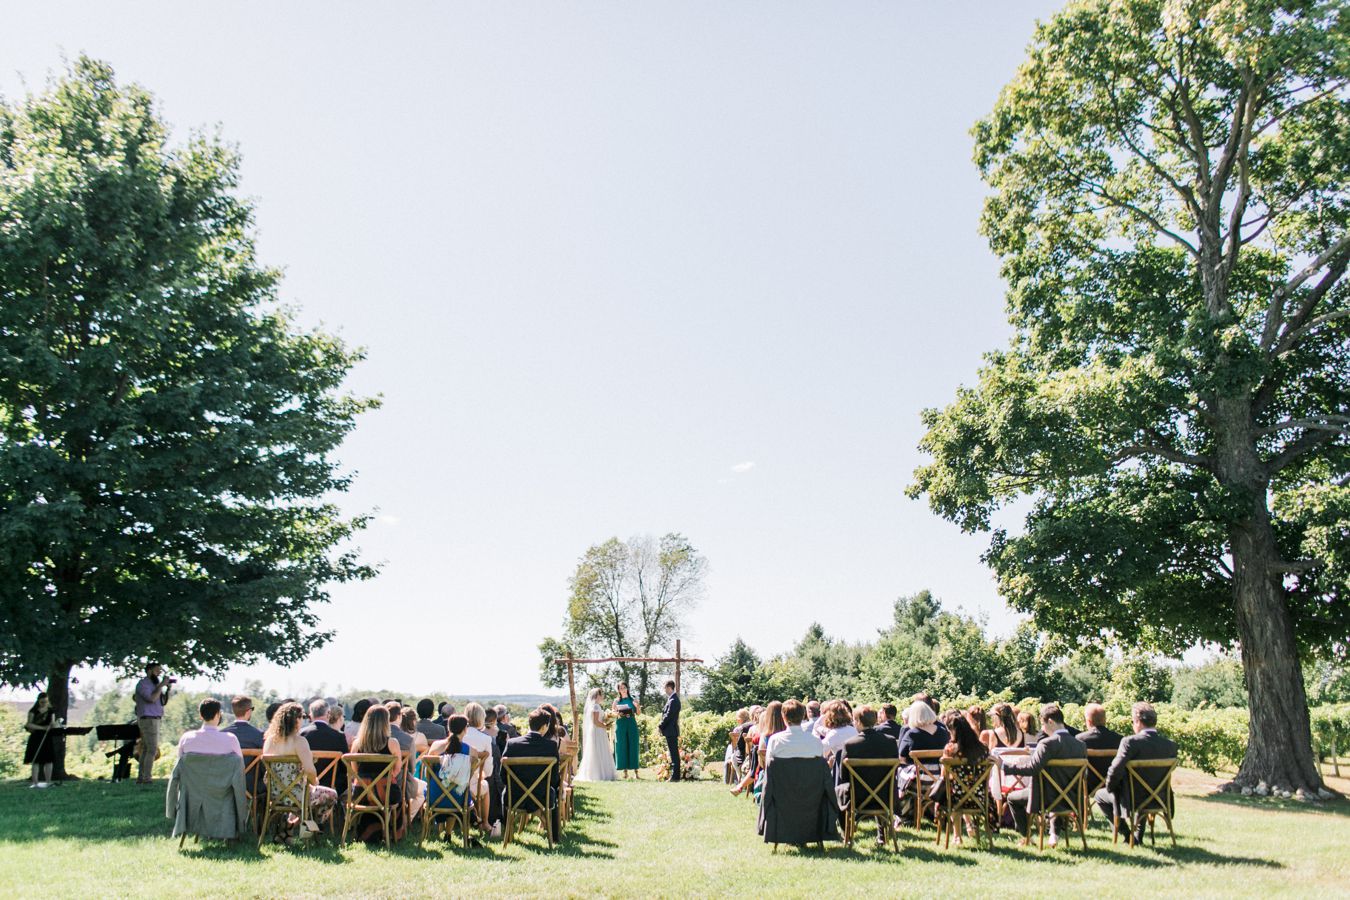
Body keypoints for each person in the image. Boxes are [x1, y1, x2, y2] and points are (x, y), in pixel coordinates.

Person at [1002, 704, 1086, 843]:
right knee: (1056, 792)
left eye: (1043, 724)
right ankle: (1054, 834)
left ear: (1051, 722)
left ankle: (1026, 837)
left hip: (1045, 798)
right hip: (1072, 796)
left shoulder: (1046, 744)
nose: (1042, 728)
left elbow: (1032, 768)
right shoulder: (1080, 745)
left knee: (1012, 798)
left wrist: (1006, 767)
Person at [1095, 702, 1178, 844]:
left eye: (1133, 721)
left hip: (1132, 799)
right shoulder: (1170, 745)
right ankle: (1137, 836)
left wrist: (1110, 787)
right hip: (1160, 797)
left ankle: (1128, 835)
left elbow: (1115, 769)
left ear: (1138, 722)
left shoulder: (1129, 742)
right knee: (1142, 787)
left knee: (1100, 795)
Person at [260, 701, 339, 837]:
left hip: (274, 794)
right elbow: (310, 770)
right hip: (298, 795)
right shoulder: (299, 742)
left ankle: (290, 827)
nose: (303, 720)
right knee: (330, 795)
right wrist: (314, 782)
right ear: (296, 719)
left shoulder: (269, 741)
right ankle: (308, 831)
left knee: (314, 794)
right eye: (302, 717)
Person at [837, 705, 900, 843]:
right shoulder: (890, 742)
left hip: (858, 797)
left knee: (839, 788)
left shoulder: (850, 744)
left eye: (854, 720)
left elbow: (843, 776)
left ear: (858, 721)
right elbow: (895, 770)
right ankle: (882, 835)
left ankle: (845, 834)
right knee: (878, 781)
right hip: (886, 796)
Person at [501, 707, 563, 841]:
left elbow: (503, 776)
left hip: (515, 796)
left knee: (505, 792)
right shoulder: (550, 746)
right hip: (542, 796)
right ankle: (554, 837)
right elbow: (554, 778)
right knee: (553, 791)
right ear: (545, 726)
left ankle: (507, 834)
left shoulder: (512, 744)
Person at [349, 704, 405, 842]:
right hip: (385, 794)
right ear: (386, 722)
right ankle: (392, 835)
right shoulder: (392, 743)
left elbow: (355, 771)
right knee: (395, 796)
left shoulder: (357, 744)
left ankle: (368, 834)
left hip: (361, 794)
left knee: (373, 794)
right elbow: (397, 770)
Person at [425, 715, 477, 842]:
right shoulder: (471, 751)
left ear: (448, 727)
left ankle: (434, 832)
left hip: (434, 796)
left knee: (445, 786)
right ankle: (448, 834)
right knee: (456, 787)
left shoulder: (436, 746)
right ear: (465, 729)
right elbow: (468, 777)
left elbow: (428, 771)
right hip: (458, 799)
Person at [133, 663, 173, 785]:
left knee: (145, 749)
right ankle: (147, 778)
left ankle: (141, 777)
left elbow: (161, 700)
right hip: (148, 719)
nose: (159, 673)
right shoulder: (143, 684)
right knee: (152, 749)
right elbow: (151, 698)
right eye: (157, 671)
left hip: (154, 718)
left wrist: (166, 689)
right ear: (150, 671)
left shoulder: (154, 684)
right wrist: (161, 685)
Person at [301, 700, 349, 795]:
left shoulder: (301, 735)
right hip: (331, 788)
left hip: (305, 787)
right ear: (328, 714)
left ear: (311, 715)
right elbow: (345, 767)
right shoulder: (338, 736)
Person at [576, 686, 619, 783]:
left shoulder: (596, 706)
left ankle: (601, 772)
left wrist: (607, 720)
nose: (602, 697)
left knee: (600, 750)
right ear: (597, 696)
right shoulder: (595, 706)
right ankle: (598, 773)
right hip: (597, 730)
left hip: (599, 730)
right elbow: (595, 721)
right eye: (601, 695)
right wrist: (605, 726)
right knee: (598, 750)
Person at [179, 698, 243, 758]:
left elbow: (180, 765)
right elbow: (240, 766)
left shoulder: (186, 738)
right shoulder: (231, 739)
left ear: (201, 715)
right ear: (218, 715)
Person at [24, 693, 57, 788]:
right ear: (38, 701)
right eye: (42, 702)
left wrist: (53, 725)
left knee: (48, 760)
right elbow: (28, 724)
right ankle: (35, 783)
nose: (44, 704)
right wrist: (43, 728)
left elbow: (52, 723)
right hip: (36, 737)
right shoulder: (33, 711)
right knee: (36, 761)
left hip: (47, 737)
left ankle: (48, 782)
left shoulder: (51, 711)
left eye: (45, 702)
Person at [612, 682, 641, 779]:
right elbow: (613, 714)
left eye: (624, 687)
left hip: (631, 723)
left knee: (633, 745)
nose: (623, 690)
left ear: (627, 688)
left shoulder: (633, 699)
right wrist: (618, 713)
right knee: (622, 746)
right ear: (618, 690)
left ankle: (636, 772)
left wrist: (637, 706)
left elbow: (639, 713)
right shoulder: (616, 701)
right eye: (621, 688)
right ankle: (625, 772)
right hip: (620, 724)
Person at [658, 679, 682, 782]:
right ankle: (675, 775)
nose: (664, 690)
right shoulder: (672, 699)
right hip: (670, 730)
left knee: (674, 754)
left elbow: (668, 716)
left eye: (665, 688)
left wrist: (660, 726)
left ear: (669, 687)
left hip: (671, 730)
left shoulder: (673, 700)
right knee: (673, 753)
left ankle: (675, 776)